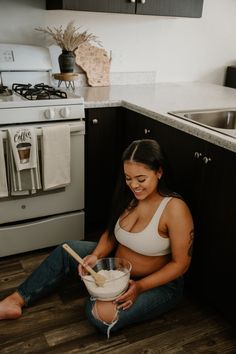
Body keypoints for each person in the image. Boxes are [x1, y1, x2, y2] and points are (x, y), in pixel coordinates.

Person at [0, 139, 194, 338]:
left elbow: (181, 264)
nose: (133, 185)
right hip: (116, 269)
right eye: (128, 178)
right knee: (67, 249)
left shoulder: (175, 209)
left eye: (141, 179)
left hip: (155, 284)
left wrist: (140, 286)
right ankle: (15, 300)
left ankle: (103, 297)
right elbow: (111, 234)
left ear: (159, 172)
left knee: (100, 315)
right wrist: (96, 255)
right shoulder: (130, 196)